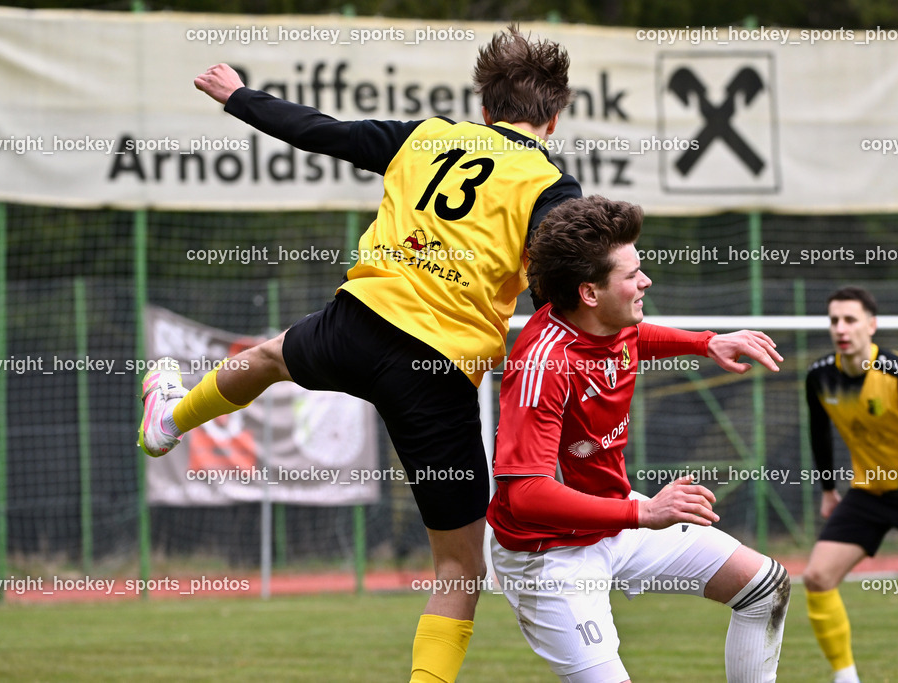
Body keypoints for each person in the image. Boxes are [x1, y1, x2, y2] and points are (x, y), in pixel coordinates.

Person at [137, 26, 581, 683]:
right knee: (459, 568)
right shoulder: (552, 187)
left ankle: (168, 421)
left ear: (484, 109)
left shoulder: (428, 137)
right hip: (438, 368)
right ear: (555, 117)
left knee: (269, 358)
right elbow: (555, 300)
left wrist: (239, 97)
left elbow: (324, 132)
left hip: (360, 321)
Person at [487, 195, 790, 682]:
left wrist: (706, 342)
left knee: (764, 587)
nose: (646, 281)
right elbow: (525, 494)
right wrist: (644, 514)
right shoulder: (545, 365)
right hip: (549, 554)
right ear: (589, 292)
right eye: (632, 275)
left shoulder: (607, 321)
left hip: (615, 519)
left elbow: (634, 338)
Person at [803, 286, 898, 683]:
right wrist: (828, 491)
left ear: (871, 325)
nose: (841, 328)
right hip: (869, 493)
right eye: (834, 320)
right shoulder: (820, 377)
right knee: (817, 577)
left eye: (850, 320)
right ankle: (846, 678)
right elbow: (819, 433)